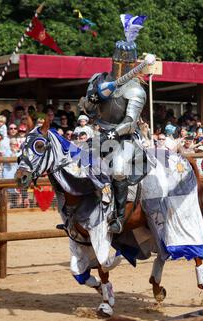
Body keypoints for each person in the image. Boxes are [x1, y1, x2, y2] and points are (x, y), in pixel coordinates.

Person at [78, 14, 149, 234]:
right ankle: (74, 212)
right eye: (118, 60)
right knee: (76, 164)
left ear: (132, 64)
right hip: (99, 132)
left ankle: (118, 217)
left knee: (118, 170)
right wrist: (91, 100)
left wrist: (113, 134)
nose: (121, 65)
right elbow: (86, 110)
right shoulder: (99, 79)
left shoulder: (136, 89)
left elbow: (130, 121)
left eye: (125, 62)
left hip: (124, 138)